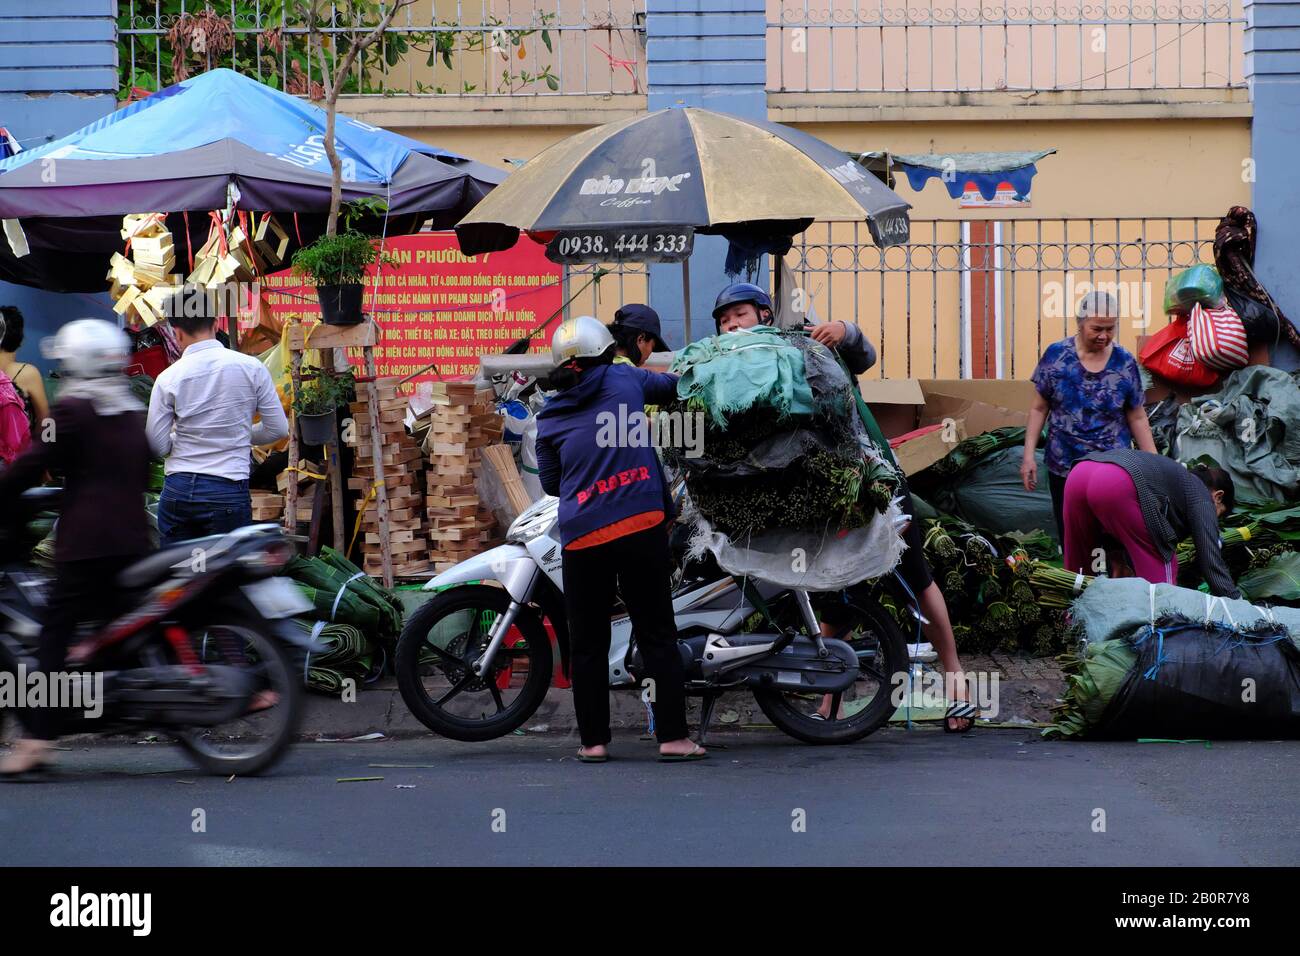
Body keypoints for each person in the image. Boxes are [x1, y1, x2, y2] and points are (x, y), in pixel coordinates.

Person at [710, 283, 978, 732]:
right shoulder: (723, 371)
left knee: (913, 572)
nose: (732, 325)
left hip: (869, 478)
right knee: (835, 590)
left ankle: (956, 678)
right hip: (812, 494)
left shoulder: (803, 345)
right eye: (723, 320)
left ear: (763, 314)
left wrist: (846, 330)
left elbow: (863, 356)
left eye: (739, 314)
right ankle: (833, 696)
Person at [535, 315, 704, 762]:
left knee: (586, 644)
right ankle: (672, 738)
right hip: (639, 526)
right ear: (608, 351)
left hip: (583, 538)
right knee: (657, 635)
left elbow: (552, 484)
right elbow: (673, 387)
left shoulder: (548, 416)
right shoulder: (625, 378)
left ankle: (593, 743)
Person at [0, 320, 151, 777]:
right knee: (107, 631)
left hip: (88, 546)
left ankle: (37, 740)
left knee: (53, 635)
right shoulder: (128, 410)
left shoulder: (74, 411)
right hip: (133, 539)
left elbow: (33, 462)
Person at [146, 296, 288, 547]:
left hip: (178, 491)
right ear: (215, 323)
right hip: (226, 492)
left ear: (176, 333)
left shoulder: (167, 378)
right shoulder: (251, 368)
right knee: (227, 577)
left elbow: (157, 446)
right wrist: (239, 433)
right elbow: (277, 428)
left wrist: (181, 437)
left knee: (180, 576)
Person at [1022, 290, 1157, 545]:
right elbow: (1040, 408)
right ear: (1080, 323)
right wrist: (1028, 456)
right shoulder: (1056, 356)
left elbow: (1137, 416)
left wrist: (1154, 464)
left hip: (1112, 468)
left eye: (1111, 328)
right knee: (1073, 536)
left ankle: (1114, 582)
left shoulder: (1124, 362)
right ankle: (1078, 581)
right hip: (1064, 466)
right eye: (1097, 328)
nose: (1104, 336)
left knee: (1113, 537)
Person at [1063, 449, 1240, 598]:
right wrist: (1236, 603)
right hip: (1116, 482)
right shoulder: (1201, 495)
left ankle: (1069, 624)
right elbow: (1210, 559)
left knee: (1079, 571)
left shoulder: (1174, 480)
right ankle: (1160, 632)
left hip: (1080, 474)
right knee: (1163, 576)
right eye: (1219, 514)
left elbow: (1113, 526)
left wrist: (1117, 560)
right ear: (1218, 497)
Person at [0, 305, 51, 440]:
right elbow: (47, 420)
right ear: (20, 340)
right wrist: (49, 450)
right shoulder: (27, 373)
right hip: (19, 459)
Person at [609, 304, 670, 368]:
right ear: (640, 338)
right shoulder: (630, 374)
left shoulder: (601, 364)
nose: (650, 353)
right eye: (652, 347)